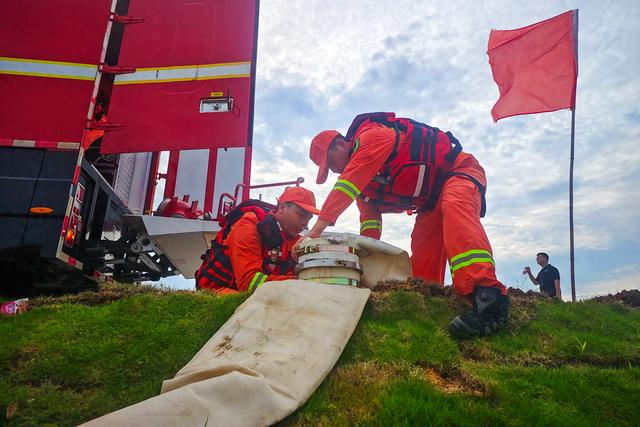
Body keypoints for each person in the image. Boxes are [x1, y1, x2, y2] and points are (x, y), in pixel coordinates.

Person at [307, 112, 509, 339]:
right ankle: (431, 302)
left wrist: (315, 232)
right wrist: (367, 260)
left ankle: (489, 300)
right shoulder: (364, 190)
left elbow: (347, 185)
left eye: (330, 163)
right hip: (430, 201)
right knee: (422, 264)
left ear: (342, 144)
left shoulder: (372, 135)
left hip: (459, 171)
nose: (333, 171)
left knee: (454, 205)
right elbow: (370, 225)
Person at [195, 186, 320, 294]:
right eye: (301, 215)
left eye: (309, 218)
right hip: (218, 289)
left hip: (257, 290)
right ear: (281, 208)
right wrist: (298, 283)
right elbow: (249, 283)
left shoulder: (294, 240)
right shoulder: (249, 225)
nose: (305, 223)